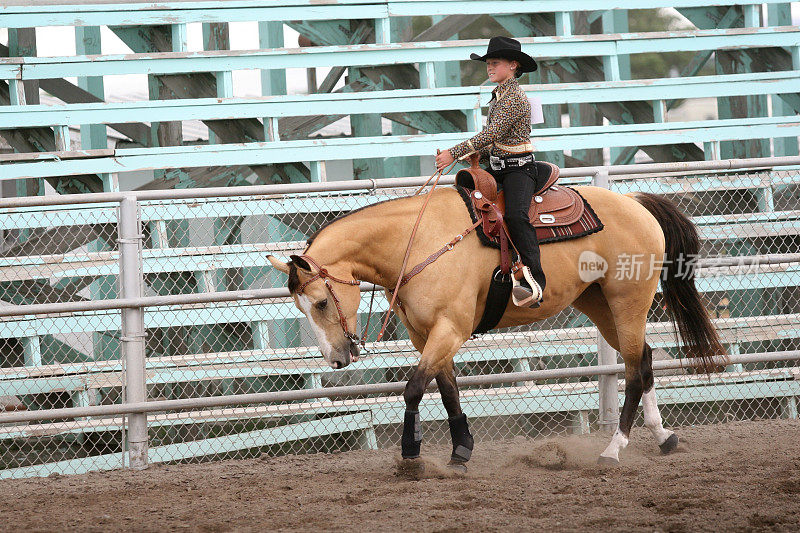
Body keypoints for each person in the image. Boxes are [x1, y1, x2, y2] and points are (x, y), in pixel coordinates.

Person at [435, 36, 549, 308]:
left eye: (494, 63)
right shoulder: (499, 96)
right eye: (487, 63)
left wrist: (455, 152)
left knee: (516, 216)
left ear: (513, 65)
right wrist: (476, 155)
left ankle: (536, 282)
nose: (489, 67)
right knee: (466, 197)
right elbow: (497, 141)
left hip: (519, 170)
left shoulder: (514, 99)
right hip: (498, 166)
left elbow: (492, 134)